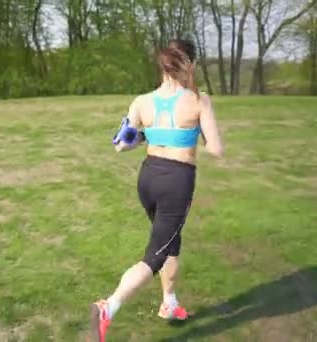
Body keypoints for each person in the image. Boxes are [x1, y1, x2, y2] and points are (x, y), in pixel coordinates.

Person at [89, 39, 224, 342]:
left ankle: (170, 302)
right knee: (154, 257)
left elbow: (120, 144)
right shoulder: (199, 101)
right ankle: (108, 308)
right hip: (176, 183)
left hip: (148, 179)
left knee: (170, 242)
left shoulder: (141, 101)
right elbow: (216, 148)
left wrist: (146, 134)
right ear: (189, 64)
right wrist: (198, 131)